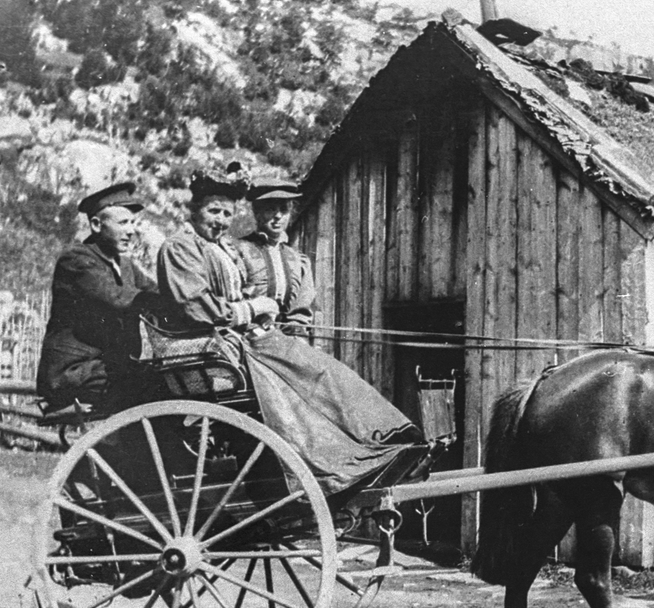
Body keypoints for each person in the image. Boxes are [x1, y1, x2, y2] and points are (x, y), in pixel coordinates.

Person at [156, 166, 422, 495]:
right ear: (194, 212)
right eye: (213, 211)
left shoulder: (219, 249)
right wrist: (254, 310)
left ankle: (380, 436)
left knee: (321, 371)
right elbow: (197, 307)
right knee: (316, 374)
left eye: (226, 213)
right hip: (222, 344)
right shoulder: (180, 248)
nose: (221, 220)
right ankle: (344, 462)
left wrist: (265, 317)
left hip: (244, 337)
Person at [36, 182, 164, 413]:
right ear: (96, 225)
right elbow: (116, 298)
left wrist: (185, 301)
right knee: (155, 385)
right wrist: (160, 303)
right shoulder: (76, 260)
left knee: (168, 379)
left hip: (106, 368)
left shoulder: (125, 265)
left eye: (133, 223)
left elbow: (155, 292)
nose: (131, 230)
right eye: (123, 222)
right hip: (74, 372)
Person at [235, 178, 315, 331]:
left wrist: (295, 333)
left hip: (285, 341)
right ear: (257, 213)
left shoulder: (298, 261)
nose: (278, 216)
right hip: (245, 337)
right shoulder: (239, 251)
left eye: (284, 210)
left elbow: (300, 313)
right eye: (270, 209)